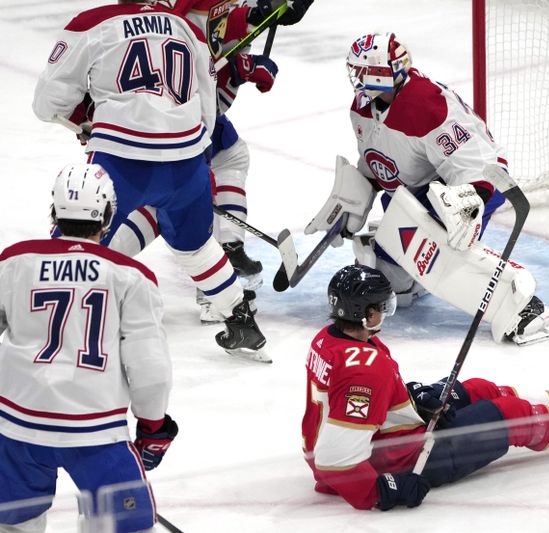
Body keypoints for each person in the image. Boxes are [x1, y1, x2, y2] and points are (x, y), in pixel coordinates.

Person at [31, 0, 269, 360]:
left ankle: (47, 322)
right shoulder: (186, 28)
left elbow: (47, 103)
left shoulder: (93, 22)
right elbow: (208, 108)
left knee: (77, 234)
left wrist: (85, 121)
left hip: (121, 161)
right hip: (187, 164)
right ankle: (241, 321)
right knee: (197, 247)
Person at [302, 264, 549, 511]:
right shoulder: (364, 372)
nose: (385, 312)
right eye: (380, 307)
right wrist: (380, 491)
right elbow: (336, 459)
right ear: (363, 313)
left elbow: (350, 404)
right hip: (396, 457)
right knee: (512, 417)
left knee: (479, 389)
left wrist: (413, 398)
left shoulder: (331, 339)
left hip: (388, 436)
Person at [304, 33, 549, 346]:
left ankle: (525, 308)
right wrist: (356, 193)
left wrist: (468, 204)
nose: (356, 79)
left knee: (439, 251)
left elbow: (478, 161)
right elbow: (382, 156)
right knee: (393, 284)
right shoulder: (363, 105)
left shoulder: (426, 105)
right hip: (417, 190)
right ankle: (418, 274)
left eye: (362, 71)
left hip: (474, 185)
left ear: (382, 74)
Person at [84, 0, 314, 323]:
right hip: (165, 115)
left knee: (225, 157)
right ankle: (206, 289)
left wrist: (258, 22)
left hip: (155, 109)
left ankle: (228, 252)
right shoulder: (182, 14)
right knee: (173, 196)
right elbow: (198, 40)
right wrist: (240, 61)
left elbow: (215, 32)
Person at [0, 164, 178, 532]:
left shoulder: (14, 261)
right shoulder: (130, 276)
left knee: (13, 525)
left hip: (18, 429)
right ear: (109, 214)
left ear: (55, 212)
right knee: (123, 527)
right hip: (96, 433)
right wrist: (152, 424)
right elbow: (149, 365)